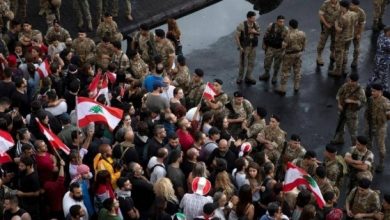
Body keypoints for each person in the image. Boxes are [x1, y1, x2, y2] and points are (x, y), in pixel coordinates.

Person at [331, 73, 366, 145]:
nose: (349, 82)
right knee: (340, 126)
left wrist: (352, 101)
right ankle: (340, 139)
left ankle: (355, 146)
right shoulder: (345, 86)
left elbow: (363, 102)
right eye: (349, 80)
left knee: (353, 131)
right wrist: (339, 104)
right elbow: (338, 95)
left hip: (352, 112)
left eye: (351, 81)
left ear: (355, 82)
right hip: (342, 110)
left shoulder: (360, 90)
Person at [275, 19, 306, 95]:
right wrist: (301, 50)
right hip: (298, 54)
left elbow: (283, 46)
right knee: (297, 70)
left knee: (285, 72)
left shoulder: (289, 35)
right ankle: (296, 86)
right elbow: (304, 44)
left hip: (289, 55)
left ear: (290, 26)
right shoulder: (302, 33)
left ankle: (282, 89)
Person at [364, 84, 390, 172]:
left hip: (380, 127)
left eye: (374, 91)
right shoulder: (371, 99)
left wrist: (385, 118)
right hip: (370, 125)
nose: (372, 93)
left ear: (380, 92)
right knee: (368, 144)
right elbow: (367, 111)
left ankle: (381, 163)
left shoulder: (386, 102)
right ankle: (368, 160)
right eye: (372, 91)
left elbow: (389, 115)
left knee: (380, 146)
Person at [329, 0, 358, 77]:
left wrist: (335, 23)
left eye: (341, 6)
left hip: (342, 38)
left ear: (343, 7)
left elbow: (339, 29)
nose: (340, 7)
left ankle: (338, 70)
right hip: (350, 36)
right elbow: (356, 24)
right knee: (346, 52)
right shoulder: (353, 14)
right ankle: (344, 68)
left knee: (339, 53)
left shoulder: (343, 18)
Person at [259, 15, 288, 84]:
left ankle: (275, 76)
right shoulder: (271, 26)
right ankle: (266, 73)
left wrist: (284, 49)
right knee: (267, 62)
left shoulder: (286, 29)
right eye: (280, 21)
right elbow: (266, 35)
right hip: (270, 48)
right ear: (277, 21)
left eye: (283, 22)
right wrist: (264, 44)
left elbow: (287, 40)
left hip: (279, 49)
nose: (282, 23)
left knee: (277, 64)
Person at [235, 11, 260, 85]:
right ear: (248, 18)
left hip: (253, 46)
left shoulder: (255, 24)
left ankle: (248, 76)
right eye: (253, 17)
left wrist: (254, 32)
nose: (255, 19)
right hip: (245, 47)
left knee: (251, 62)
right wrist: (240, 47)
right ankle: (240, 76)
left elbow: (259, 32)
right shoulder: (242, 25)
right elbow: (237, 37)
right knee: (243, 62)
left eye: (255, 17)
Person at [316, 0, 340, 66]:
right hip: (327, 25)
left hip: (335, 26)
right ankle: (319, 56)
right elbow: (321, 15)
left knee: (334, 40)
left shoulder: (340, 3)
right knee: (322, 40)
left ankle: (333, 53)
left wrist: (337, 25)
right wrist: (326, 24)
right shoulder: (326, 3)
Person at [368, 27, 390, 91]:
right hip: (384, 61)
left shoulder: (381, 35)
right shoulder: (387, 42)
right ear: (388, 32)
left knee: (376, 74)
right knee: (384, 76)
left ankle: (369, 85)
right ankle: (386, 91)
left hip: (378, 59)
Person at [349, 0, 366, 68]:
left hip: (356, 32)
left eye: (353, 5)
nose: (352, 6)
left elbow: (362, 24)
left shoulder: (361, 12)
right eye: (351, 4)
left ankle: (355, 60)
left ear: (357, 6)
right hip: (348, 31)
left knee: (356, 48)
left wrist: (359, 34)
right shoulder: (348, 9)